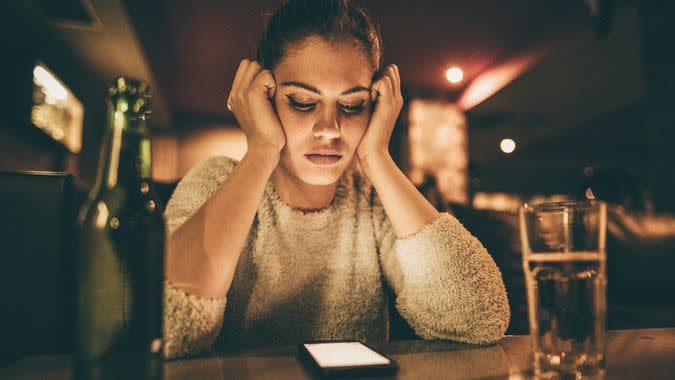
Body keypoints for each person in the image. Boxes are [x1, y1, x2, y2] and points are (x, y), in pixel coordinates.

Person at [162, 0, 509, 359]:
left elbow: (478, 320)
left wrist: (377, 157)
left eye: (352, 105)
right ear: (263, 100)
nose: (328, 130)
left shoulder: (373, 202)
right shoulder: (216, 179)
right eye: (301, 101)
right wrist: (261, 149)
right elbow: (166, 329)